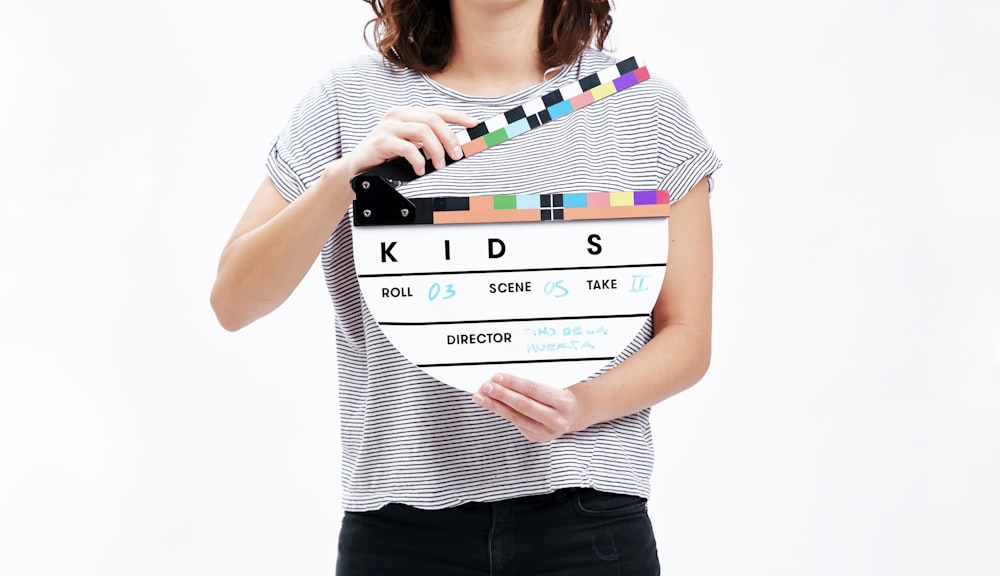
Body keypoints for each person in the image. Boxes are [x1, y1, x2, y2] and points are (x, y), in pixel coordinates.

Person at [211, 0, 721, 573]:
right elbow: (233, 300)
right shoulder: (346, 99)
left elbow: (687, 337)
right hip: (398, 520)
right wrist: (339, 181)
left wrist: (578, 407)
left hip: (587, 515)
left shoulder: (641, 105)